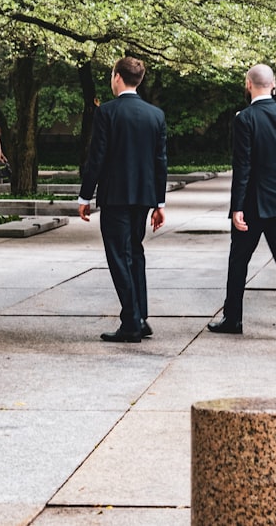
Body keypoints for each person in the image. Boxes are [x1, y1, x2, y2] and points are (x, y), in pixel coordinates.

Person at [207, 64, 276, 340]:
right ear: (272, 85)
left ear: (249, 84)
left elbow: (242, 166)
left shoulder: (244, 119)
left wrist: (237, 207)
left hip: (253, 203)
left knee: (239, 260)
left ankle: (233, 318)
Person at [77, 56, 167, 343]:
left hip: (115, 196)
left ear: (117, 77)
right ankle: (140, 316)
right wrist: (160, 203)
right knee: (135, 252)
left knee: (118, 256)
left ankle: (131, 321)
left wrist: (85, 195)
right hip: (143, 196)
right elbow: (160, 161)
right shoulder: (156, 115)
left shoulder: (107, 112)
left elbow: (97, 157)